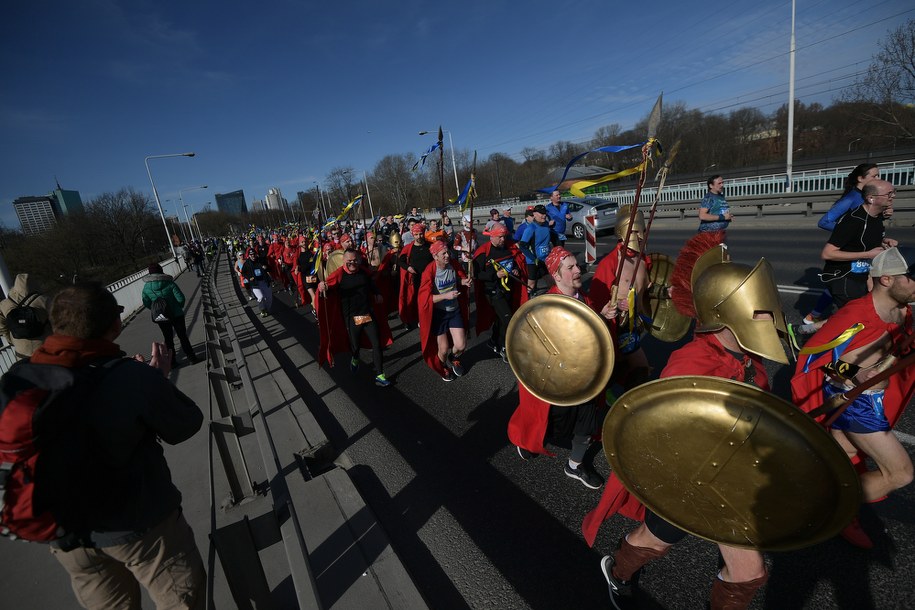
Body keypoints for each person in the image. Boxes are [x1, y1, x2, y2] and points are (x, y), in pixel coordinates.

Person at [586, 236, 790, 610]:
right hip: (685, 483)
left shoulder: (750, 359)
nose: (769, 316)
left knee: (748, 573)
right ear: (730, 313)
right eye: (759, 310)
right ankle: (617, 570)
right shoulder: (690, 365)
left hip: (730, 482)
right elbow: (658, 434)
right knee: (655, 541)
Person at [30, 282, 205, 609]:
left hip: (67, 535)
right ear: (115, 324)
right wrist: (156, 380)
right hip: (139, 524)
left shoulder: (22, 379)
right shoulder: (129, 376)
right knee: (181, 598)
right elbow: (186, 424)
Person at [792, 246, 915, 549]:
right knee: (900, 473)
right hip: (854, 402)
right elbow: (815, 359)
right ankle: (829, 505)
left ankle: (838, 513)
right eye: (912, 278)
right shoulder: (856, 314)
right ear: (887, 279)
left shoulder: (903, 310)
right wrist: (854, 373)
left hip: (872, 399)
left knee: (845, 457)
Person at [507, 246, 610, 489]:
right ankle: (528, 439)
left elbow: (591, 337)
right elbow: (530, 348)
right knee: (551, 424)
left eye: (577, 265)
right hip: (555, 379)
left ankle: (574, 465)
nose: (578, 270)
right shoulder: (544, 307)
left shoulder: (584, 299)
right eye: (570, 267)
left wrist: (603, 316)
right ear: (556, 274)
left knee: (587, 423)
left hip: (582, 377)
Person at [806, 163, 881, 323]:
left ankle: (813, 317)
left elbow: (866, 226)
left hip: (861, 253)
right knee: (849, 293)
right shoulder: (852, 198)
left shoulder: (867, 197)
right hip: (851, 251)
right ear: (860, 178)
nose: (878, 178)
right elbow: (824, 221)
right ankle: (816, 324)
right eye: (874, 176)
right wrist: (849, 234)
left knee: (845, 286)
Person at [588, 206, 653, 390]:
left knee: (624, 367)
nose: (639, 236)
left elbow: (648, 289)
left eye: (641, 231)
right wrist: (615, 305)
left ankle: (616, 394)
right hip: (621, 326)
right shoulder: (610, 263)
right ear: (623, 233)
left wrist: (667, 291)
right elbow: (596, 302)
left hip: (638, 322)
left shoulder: (643, 259)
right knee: (641, 368)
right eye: (634, 232)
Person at [317, 250, 393, 387]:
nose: (352, 263)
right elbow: (328, 290)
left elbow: (372, 284)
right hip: (352, 317)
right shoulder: (339, 274)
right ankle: (356, 357)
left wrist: (377, 293)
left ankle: (380, 375)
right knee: (356, 347)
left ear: (358, 260)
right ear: (343, 260)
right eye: (349, 261)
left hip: (367, 313)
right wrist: (322, 287)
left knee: (377, 344)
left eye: (355, 260)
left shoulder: (363, 271)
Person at [820, 179, 897, 308]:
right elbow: (827, 253)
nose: (893, 196)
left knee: (864, 314)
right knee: (856, 316)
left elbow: (861, 238)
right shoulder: (853, 220)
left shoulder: (876, 216)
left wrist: (883, 241)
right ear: (871, 198)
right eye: (889, 193)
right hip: (843, 277)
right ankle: (811, 320)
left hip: (862, 276)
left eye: (894, 192)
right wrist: (868, 254)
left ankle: (811, 321)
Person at [472, 223, 528, 362]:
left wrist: (516, 270)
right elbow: (476, 274)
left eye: (504, 236)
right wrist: (495, 275)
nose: (503, 240)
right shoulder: (484, 252)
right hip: (493, 291)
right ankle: (505, 347)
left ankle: (493, 341)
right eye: (500, 237)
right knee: (508, 319)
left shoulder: (509, 247)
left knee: (500, 318)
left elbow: (516, 262)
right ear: (492, 237)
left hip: (508, 289)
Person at [418, 239, 472, 381]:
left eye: (447, 252)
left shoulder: (453, 264)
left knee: (461, 345)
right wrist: (445, 296)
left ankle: (453, 357)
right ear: (435, 256)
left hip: (454, 310)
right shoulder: (429, 271)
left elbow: (457, 279)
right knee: (443, 349)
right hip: (439, 314)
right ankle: (443, 367)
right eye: (443, 253)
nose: (447, 255)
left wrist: (463, 281)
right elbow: (425, 299)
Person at [141, 264, 201, 366]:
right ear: (161, 271)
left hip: (161, 316)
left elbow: (146, 302)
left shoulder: (146, 288)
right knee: (182, 336)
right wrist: (178, 307)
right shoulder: (170, 283)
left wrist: (156, 308)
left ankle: (172, 362)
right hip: (177, 315)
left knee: (168, 338)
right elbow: (180, 298)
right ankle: (192, 357)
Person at [0, 272, 52, 360]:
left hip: (22, 353)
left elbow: (1, 327)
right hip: (45, 349)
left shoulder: (5, 304)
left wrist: (11, 339)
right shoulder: (44, 300)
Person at [398, 223, 433, 330]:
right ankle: (420, 318)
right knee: (418, 300)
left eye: (420, 234)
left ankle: (430, 317)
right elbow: (400, 261)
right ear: (413, 235)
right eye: (416, 234)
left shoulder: (430, 245)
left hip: (430, 278)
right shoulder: (409, 248)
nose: (419, 236)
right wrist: (408, 268)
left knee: (430, 298)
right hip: (416, 279)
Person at [518, 204, 554, 294]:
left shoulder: (546, 224)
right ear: (534, 214)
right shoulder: (531, 228)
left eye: (545, 213)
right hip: (533, 261)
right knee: (532, 283)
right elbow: (522, 246)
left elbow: (552, 238)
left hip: (545, 259)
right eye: (541, 213)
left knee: (550, 280)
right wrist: (534, 259)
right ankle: (529, 298)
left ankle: (554, 297)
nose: (544, 215)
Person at [242, 248, 273, 317]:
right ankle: (262, 310)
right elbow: (243, 272)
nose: (253, 256)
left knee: (269, 298)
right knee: (260, 297)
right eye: (251, 255)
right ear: (249, 255)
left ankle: (267, 310)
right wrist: (249, 278)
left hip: (264, 281)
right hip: (255, 284)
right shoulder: (247, 263)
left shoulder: (261, 260)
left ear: (256, 254)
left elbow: (270, 268)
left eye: (254, 254)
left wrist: (266, 267)